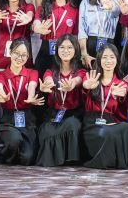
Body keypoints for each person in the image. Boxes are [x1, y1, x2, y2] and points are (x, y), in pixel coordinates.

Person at [81, 40, 128, 168]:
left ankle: (116, 161)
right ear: (99, 60)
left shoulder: (121, 83)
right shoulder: (91, 77)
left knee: (124, 127)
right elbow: (85, 84)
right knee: (107, 133)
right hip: (92, 122)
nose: (108, 61)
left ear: (117, 60)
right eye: (105, 57)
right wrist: (87, 85)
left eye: (112, 57)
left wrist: (117, 94)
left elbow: (123, 91)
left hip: (109, 121)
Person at [36, 34, 86, 166]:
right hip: (54, 114)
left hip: (73, 114)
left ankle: (70, 159)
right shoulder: (50, 71)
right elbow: (48, 79)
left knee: (72, 124)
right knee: (47, 130)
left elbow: (79, 79)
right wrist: (46, 85)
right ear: (57, 49)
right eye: (62, 47)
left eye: (70, 47)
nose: (65, 50)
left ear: (75, 50)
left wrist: (72, 84)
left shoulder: (80, 71)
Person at [0, 38, 41, 165]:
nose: (20, 57)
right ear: (10, 52)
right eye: (16, 53)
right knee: (13, 139)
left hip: (27, 119)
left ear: (28, 56)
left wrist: (31, 97)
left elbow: (32, 85)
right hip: (8, 119)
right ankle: (7, 154)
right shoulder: (1, 75)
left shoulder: (32, 72)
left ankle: (19, 151)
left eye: (24, 55)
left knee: (27, 159)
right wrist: (3, 95)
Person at [78, 0, 122, 65]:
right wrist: (84, 53)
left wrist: (110, 6)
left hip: (109, 45)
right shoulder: (85, 3)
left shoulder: (117, 0)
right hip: (90, 44)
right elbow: (82, 30)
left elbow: (116, 10)